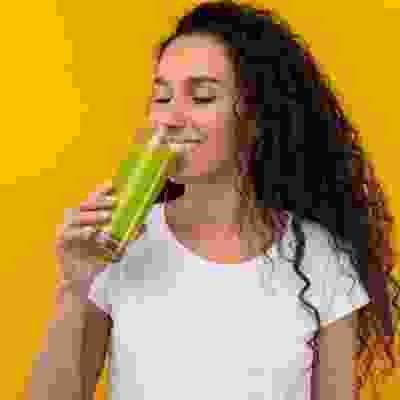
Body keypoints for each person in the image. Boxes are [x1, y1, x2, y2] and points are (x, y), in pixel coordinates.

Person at [27, 1, 399, 400]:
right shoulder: (116, 245)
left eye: (202, 97)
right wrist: (74, 285)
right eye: (162, 97)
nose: (169, 118)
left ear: (256, 118)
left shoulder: (321, 259)